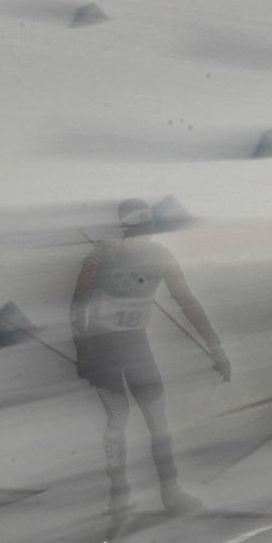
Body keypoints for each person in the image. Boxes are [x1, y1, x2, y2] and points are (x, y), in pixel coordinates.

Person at [71, 198, 230, 518]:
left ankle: (169, 492)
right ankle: (120, 497)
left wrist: (215, 346)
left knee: (155, 421)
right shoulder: (102, 254)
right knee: (119, 420)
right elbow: (78, 306)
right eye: (138, 227)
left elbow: (187, 301)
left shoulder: (159, 256)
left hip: (132, 346)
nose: (144, 233)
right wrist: (83, 352)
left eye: (146, 227)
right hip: (104, 348)